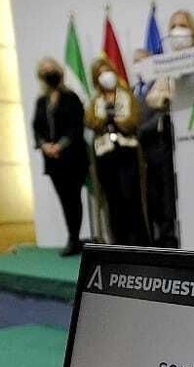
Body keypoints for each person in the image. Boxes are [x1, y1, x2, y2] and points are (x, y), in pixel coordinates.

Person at [140, 10, 194, 248]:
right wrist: (168, 98)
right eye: (174, 25)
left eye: (183, 25)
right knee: (165, 194)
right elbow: (154, 98)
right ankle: (169, 240)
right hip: (169, 138)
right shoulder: (167, 66)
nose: (178, 30)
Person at [83, 56, 148, 246]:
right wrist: (104, 120)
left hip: (127, 152)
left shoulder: (127, 96)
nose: (105, 76)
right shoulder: (95, 101)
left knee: (132, 197)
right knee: (114, 200)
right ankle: (119, 243)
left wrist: (119, 121)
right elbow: (90, 121)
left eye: (107, 71)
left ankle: (140, 243)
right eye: (101, 74)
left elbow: (134, 119)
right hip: (105, 154)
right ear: (96, 79)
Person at [31, 57, 88, 256]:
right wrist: (45, 146)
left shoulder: (70, 97)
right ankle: (71, 237)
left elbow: (76, 126)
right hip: (52, 161)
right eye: (45, 70)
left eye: (51, 69)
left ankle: (75, 238)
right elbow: (36, 128)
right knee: (64, 199)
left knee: (74, 198)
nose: (49, 73)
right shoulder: (41, 101)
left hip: (72, 157)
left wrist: (60, 146)